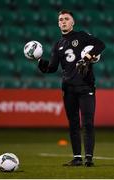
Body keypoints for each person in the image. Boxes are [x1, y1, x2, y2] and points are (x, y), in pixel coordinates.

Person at [37, 9, 105, 167]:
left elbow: (100, 44)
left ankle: (89, 158)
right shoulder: (58, 44)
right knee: (73, 124)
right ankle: (77, 158)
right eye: (61, 19)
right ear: (58, 23)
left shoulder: (81, 36)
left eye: (66, 19)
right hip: (68, 89)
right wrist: (40, 61)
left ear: (73, 22)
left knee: (87, 123)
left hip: (86, 86)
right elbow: (52, 68)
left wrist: (87, 57)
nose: (63, 21)